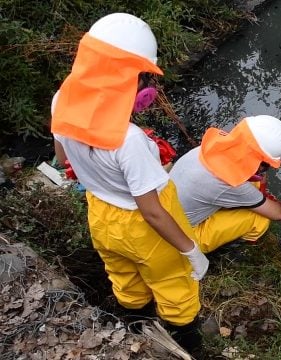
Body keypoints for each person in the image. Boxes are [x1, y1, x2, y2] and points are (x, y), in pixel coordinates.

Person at [50, 13, 208, 351]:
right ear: (130, 81)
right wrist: (191, 250)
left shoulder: (62, 100)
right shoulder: (129, 140)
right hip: (143, 228)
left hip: (101, 215)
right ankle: (186, 340)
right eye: (143, 78)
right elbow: (151, 212)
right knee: (172, 283)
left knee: (123, 276)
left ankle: (132, 325)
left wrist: (97, 170)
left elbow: (64, 161)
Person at [169, 115, 281, 254]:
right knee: (259, 219)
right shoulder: (229, 184)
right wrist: (263, 177)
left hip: (165, 213)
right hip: (176, 239)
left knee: (252, 187)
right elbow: (277, 213)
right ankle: (234, 250)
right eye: (265, 164)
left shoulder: (209, 148)